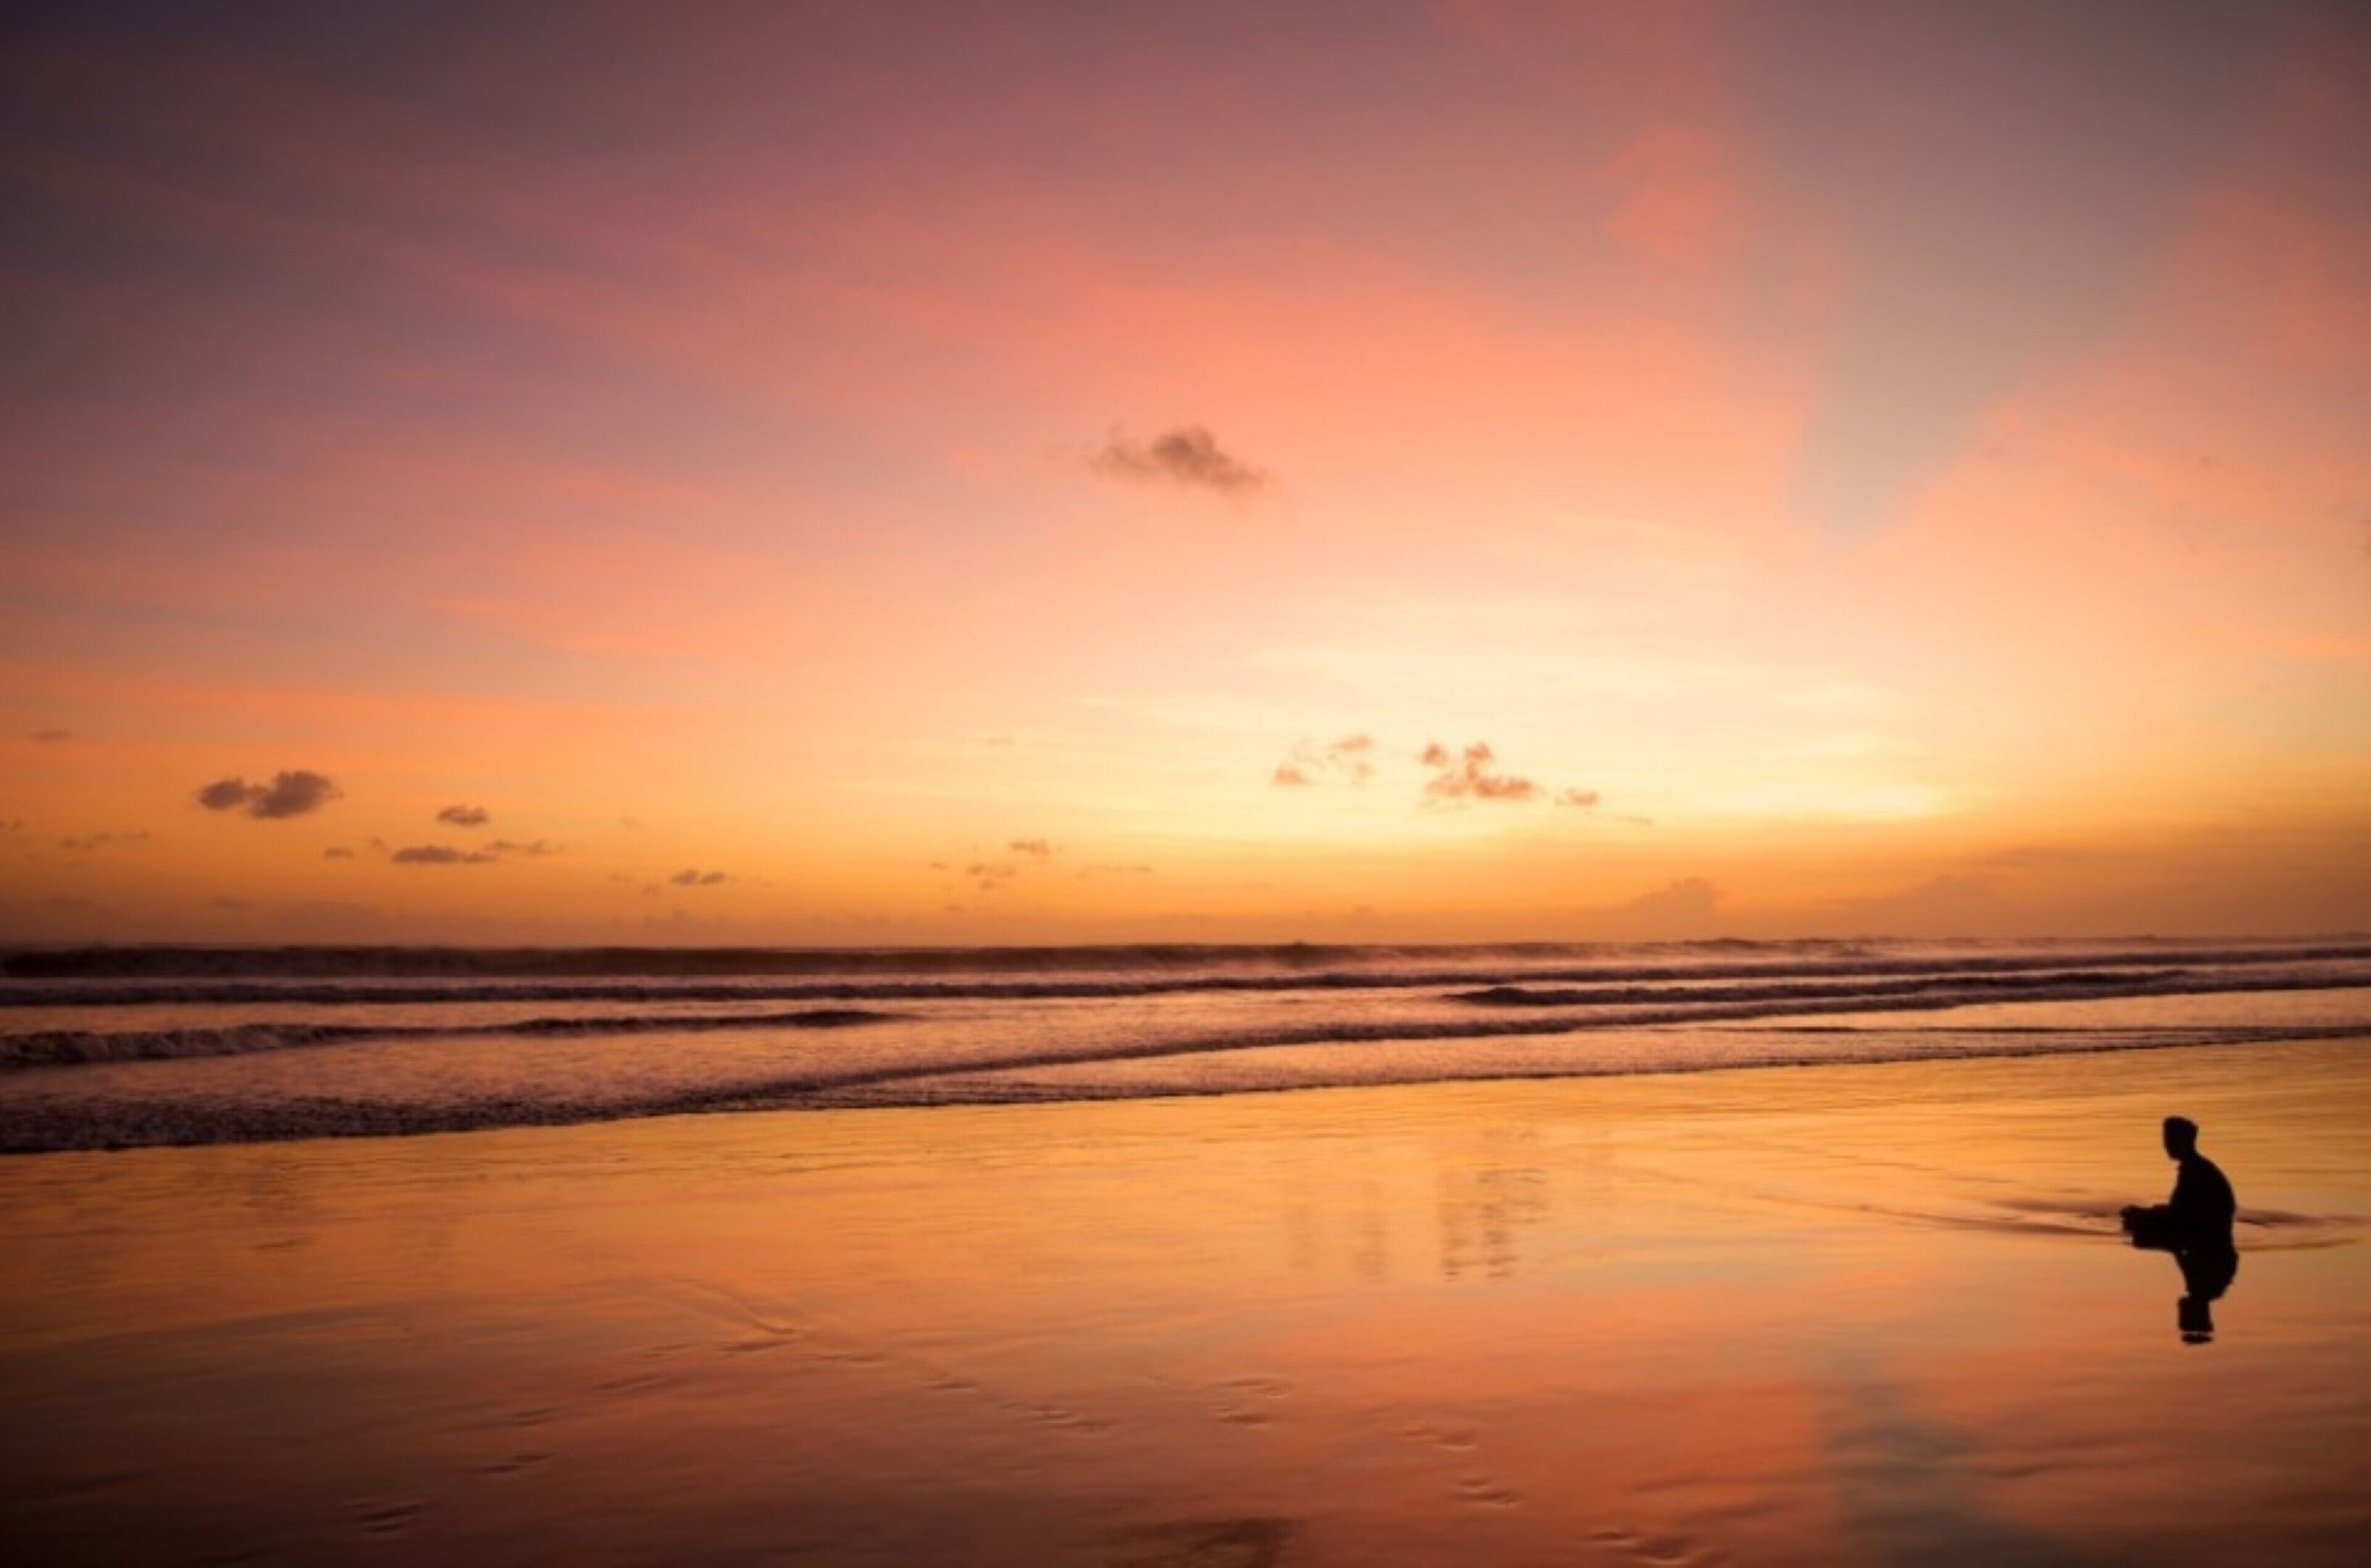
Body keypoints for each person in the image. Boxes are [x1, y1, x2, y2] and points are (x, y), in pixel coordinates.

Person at [2121, 1116, 2239, 1343]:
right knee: (2139, 1222)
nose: (2166, 1145)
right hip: (2205, 1233)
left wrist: (2144, 1217)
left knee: (2137, 1230)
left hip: (2206, 1234)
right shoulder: (2196, 1169)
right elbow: (2181, 1212)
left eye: (2169, 1140)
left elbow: (2183, 1216)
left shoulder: (2196, 1172)